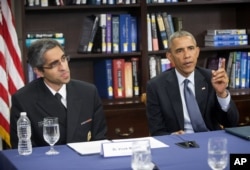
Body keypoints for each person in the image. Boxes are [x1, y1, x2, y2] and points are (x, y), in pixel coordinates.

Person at [10, 39, 107, 148]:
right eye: (54, 64)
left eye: (63, 59)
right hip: (47, 163)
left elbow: (99, 139)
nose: (63, 67)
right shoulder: (23, 100)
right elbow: (24, 149)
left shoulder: (89, 92)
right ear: (39, 71)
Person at [146, 30, 239, 136]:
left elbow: (231, 123)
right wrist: (171, 137)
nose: (187, 55)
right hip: (180, 144)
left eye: (190, 48)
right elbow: (156, 131)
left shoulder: (212, 78)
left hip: (212, 141)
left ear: (197, 52)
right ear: (170, 57)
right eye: (179, 51)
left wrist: (222, 94)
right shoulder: (156, 86)